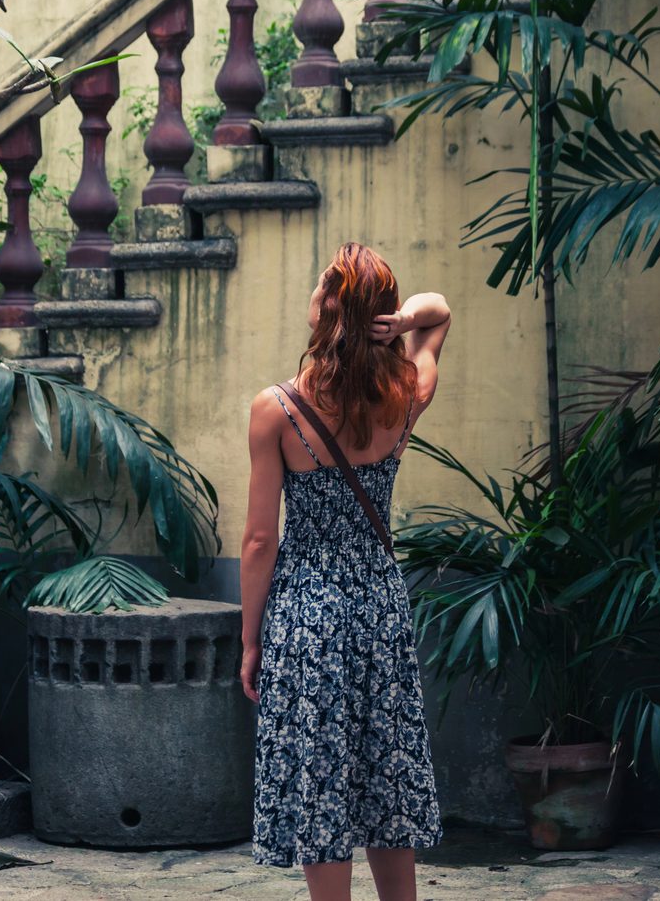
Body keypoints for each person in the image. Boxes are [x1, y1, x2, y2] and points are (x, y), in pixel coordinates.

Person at [239, 242, 452, 901]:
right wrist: (402, 321)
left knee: (321, 788)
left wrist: (249, 641)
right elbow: (440, 313)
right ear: (378, 319)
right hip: (381, 603)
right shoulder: (406, 392)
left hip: (308, 609)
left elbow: (256, 541)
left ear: (322, 310)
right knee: (389, 779)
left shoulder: (275, 409)